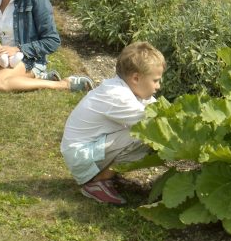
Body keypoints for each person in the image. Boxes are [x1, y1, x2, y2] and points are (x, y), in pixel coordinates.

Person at [60, 41, 165, 205]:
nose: (158, 86)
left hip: (86, 150)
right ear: (136, 78)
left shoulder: (127, 88)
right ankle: (96, 183)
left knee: (145, 131)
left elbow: (157, 108)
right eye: (156, 80)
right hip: (81, 155)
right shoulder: (118, 97)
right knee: (144, 134)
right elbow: (156, 122)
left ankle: (103, 175)